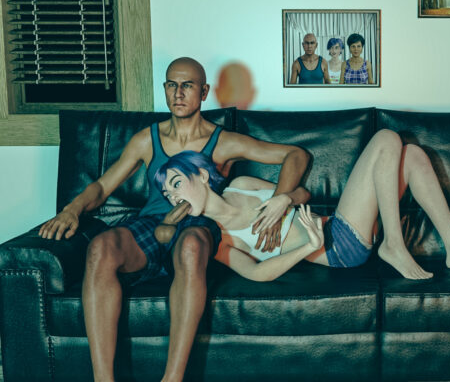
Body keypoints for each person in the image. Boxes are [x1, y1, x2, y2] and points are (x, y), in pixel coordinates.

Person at [38, 57, 310, 382]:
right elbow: (101, 187)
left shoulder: (223, 142)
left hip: (197, 226)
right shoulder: (146, 139)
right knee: (99, 247)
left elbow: (296, 155)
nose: (178, 93)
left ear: (204, 92)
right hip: (152, 226)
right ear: (165, 89)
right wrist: (72, 209)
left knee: (192, 246)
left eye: (187, 85)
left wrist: (280, 203)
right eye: (172, 85)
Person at [156, 130, 450, 281]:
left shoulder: (242, 185)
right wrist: (307, 247)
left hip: (342, 222)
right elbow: (258, 274)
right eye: (167, 194)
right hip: (340, 247)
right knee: (386, 138)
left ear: (202, 175)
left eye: (176, 183)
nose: (172, 196)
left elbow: (304, 195)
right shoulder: (219, 239)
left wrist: (283, 198)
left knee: (410, 153)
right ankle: (394, 246)